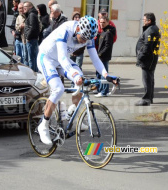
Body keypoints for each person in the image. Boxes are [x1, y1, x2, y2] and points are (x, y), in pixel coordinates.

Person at [36, 15, 118, 145]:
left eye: (87, 39)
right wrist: (74, 75)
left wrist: (106, 74)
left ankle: (72, 113)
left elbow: (95, 59)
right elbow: (62, 58)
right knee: (58, 88)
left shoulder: (88, 36)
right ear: (78, 28)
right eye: (83, 38)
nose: (84, 41)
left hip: (61, 61)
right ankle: (43, 125)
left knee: (82, 80)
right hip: (47, 59)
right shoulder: (65, 30)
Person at [135, 12, 160, 106]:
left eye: (144, 20)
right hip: (150, 58)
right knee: (149, 79)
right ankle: (150, 97)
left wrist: (140, 57)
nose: (143, 21)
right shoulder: (151, 29)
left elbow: (147, 46)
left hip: (148, 59)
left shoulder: (151, 31)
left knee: (147, 80)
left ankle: (146, 99)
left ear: (149, 21)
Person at [94, 16, 116, 97]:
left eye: (103, 22)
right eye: (100, 22)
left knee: (104, 74)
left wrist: (100, 54)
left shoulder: (108, 33)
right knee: (99, 74)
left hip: (104, 57)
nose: (102, 24)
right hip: (100, 56)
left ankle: (104, 91)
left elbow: (107, 46)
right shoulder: (102, 32)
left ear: (107, 22)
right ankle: (100, 90)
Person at [24, 1, 40, 72]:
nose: (24, 8)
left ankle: (32, 73)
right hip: (32, 39)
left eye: (25, 7)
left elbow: (32, 27)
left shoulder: (31, 15)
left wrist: (28, 37)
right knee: (31, 58)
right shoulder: (31, 14)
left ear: (30, 7)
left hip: (31, 40)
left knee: (31, 59)